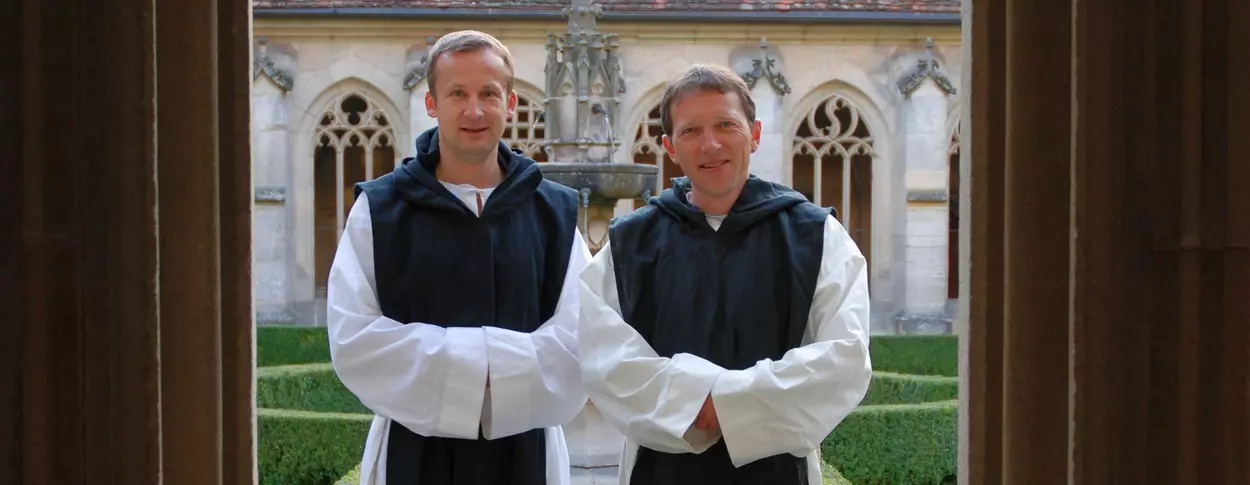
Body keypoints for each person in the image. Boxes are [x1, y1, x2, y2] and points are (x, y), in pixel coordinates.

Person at [577, 64, 873, 485]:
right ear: (670, 146)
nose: (710, 144)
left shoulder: (815, 235)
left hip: (777, 468)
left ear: (754, 133)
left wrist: (720, 405)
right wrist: (710, 403)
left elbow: (844, 356)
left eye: (725, 125)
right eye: (691, 131)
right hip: (660, 468)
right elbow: (605, 357)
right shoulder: (630, 243)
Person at [326, 30, 591, 485]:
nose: (474, 110)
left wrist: (473, 371)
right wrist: (493, 368)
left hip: (526, 449)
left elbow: (584, 336)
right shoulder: (381, 209)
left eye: (489, 93)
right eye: (457, 93)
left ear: (510, 103)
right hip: (413, 448)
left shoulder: (555, 212)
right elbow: (354, 335)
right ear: (431, 103)